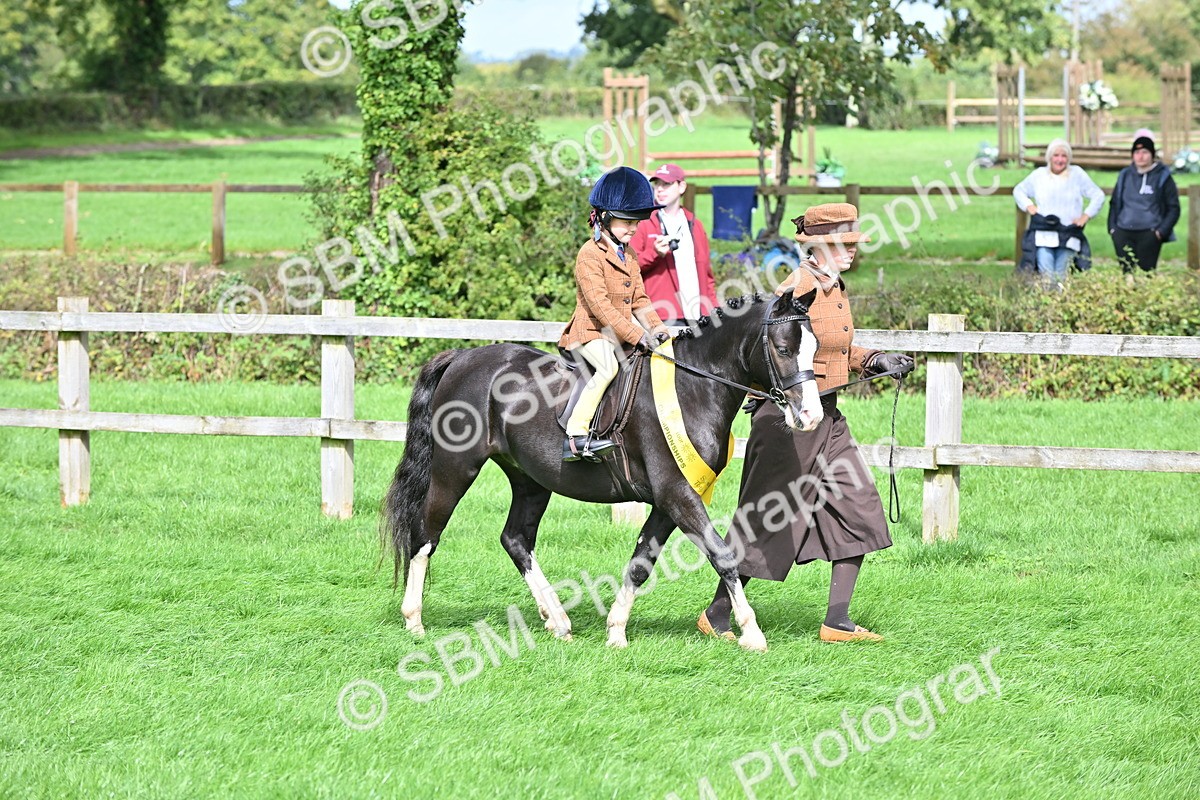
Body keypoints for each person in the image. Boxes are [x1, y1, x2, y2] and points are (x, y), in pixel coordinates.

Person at [696, 203, 914, 643]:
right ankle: (718, 614)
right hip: (787, 421)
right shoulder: (796, 290)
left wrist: (873, 359)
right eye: (843, 244)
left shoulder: (833, 286)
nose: (852, 251)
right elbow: (779, 353)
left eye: (853, 243)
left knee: (860, 506)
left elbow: (832, 349)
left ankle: (837, 622)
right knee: (768, 521)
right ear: (818, 246)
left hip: (827, 415)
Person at [559, 166, 671, 463]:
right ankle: (576, 436)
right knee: (608, 367)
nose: (634, 229)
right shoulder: (589, 254)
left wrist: (659, 330)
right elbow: (601, 308)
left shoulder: (630, 255)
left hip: (618, 334)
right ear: (605, 218)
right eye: (627, 222)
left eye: (637, 223)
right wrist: (637, 335)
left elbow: (640, 299)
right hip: (590, 333)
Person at [630, 163, 717, 326]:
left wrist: (714, 310)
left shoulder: (695, 224)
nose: (660, 189)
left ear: (682, 186)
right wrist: (654, 253)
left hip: (697, 314)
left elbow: (707, 275)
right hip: (662, 315)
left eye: (667, 184)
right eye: (657, 184)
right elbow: (628, 269)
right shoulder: (643, 223)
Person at [1012, 139, 1105, 282]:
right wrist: (1028, 206)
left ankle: (1060, 302)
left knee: (1061, 274)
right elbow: (1019, 190)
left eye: (1064, 156)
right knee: (1046, 275)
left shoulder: (1077, 174)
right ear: (1050, 157)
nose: (1060, 160)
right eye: (1056, 155)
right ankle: (1048, 302)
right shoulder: (1039, 175)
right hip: (1044, 234)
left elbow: (1098, 195)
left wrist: (1086, 216)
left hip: (1068, 234)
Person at [1108, 134, 1180, 273]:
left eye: (1145, 152)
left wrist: (1161, 232)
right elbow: (1115, 203)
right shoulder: (1125, 175)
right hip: (1123, 231)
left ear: (1152, 154)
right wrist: (1113, 229)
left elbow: (1173, 208)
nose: (1140, 156)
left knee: (1146, 275)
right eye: (1137, 152)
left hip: (1150, 233)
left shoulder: (1163, 176)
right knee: (1127, 274)